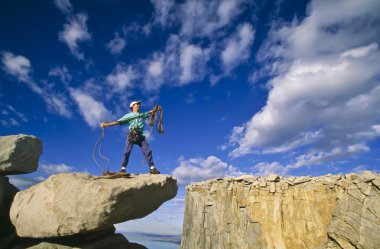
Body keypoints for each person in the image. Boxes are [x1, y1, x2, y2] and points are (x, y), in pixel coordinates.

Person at [99, 101, 160, 174]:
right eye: (137, 104)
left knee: (148, 151)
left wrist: (155, 109)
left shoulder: (142, 114)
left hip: (140, 136)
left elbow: (150, 112)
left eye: (138, 104)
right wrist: (105, 124)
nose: (138, 105)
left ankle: (152, 168)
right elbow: (118, 122)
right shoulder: (128, 115)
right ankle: (123, 168)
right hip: (131, 135)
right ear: (132, 106)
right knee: (127, 151)